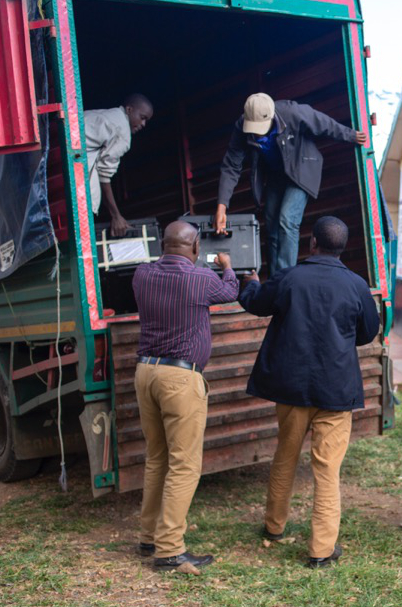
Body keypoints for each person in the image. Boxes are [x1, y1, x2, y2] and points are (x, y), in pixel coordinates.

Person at [238, 216, 380, 569]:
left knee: (285, 455)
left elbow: (256, 304)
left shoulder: (289, 276)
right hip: (336, 389)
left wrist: (249, 281)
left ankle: (274, 526)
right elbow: (367, 333)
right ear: (340, 247)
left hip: (292, 388)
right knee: (327, 471)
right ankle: (320, 550)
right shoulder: (356, 284)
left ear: (312, 243)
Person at [132, 220, 240, 572]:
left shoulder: (142, 274)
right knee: (185, 465)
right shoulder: (201, 278)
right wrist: (226, 266)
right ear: (195, 248)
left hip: (146, 373)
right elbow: (230, 292)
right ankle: (169, 550)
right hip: (180, 379)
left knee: (157, 459)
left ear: (163, 245)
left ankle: (149, 537)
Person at [214, 93, 368, 274]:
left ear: (271, 116)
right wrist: (222, 206)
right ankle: (274, 278)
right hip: (276, 175)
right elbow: (231, 165)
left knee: (287, 220)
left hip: (300, 169)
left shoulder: (292, 113)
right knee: (271, 227)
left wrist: (350, 135)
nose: (255, 132)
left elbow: (323, 123)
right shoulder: (241, 126)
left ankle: (285, 277)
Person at [84, 94, 153, 236]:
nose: (143, 124)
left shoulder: (104, 115)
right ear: (129, 109)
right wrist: (116, 215)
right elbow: (104, 176)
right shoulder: (122, 133)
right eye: (142, 117)